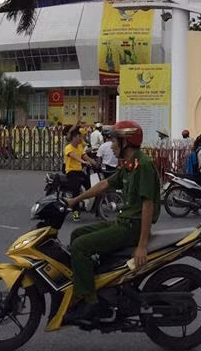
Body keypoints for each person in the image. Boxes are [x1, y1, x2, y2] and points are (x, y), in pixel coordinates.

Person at [64, 121, 160, 324]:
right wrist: (74, 200)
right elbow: (104, 184)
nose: (111, 145)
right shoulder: (130, 164)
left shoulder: (143, 165)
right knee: (76, 234)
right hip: (123, 221)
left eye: (115, 141)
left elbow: (148, 206)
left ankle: (91, 302)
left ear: (126, 142)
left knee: (80, 246)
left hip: (131, 227)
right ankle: (99, 282)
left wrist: (142, 246)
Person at [64, 126, 95, 220]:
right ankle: (75, 211)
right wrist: (83, 162)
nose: (81, 139)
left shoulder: (80, 147)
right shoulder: (68, 147)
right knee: (76, 190)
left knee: (90, 185)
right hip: (71, 171)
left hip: (79, 171)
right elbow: (74, 156)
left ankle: (90, 204)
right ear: (74, 138)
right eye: (79, 137)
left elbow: (84, 156)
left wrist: (94, 162)